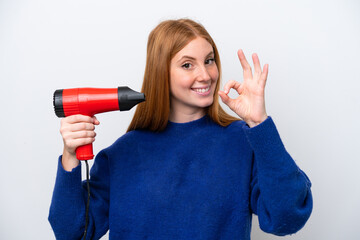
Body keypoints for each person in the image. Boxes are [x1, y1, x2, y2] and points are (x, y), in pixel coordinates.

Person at [49, 18, 312, 240]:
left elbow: (286, 217)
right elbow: (71, 232)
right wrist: (70, 155)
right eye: (188, 65)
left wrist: (260, 124)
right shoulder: (122, 154)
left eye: (209, 60)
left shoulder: (243, 142)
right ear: (161, 73)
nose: (206, 75)